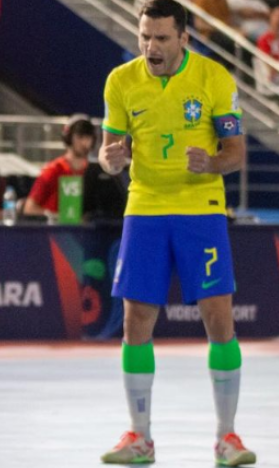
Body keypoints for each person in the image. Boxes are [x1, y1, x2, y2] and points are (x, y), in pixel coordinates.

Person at [99, 1, 256, 466]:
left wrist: (211, 162)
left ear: (184, 38)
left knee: (218, 320)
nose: (151, 47)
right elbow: (110, 150)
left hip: (200, 209)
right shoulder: (121, 81)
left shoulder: (214, 79)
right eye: (145, 36)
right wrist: (111, 160)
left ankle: (227, 438)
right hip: (144, 208)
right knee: (135, 324)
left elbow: (236, 154)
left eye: (162, 38)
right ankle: (140, 438)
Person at [22, 114, 95, 219]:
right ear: (68, 137)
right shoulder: (53, 170)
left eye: (88, 137)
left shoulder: (94, 172)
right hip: (55, 232)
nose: (85, 142)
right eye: (80, 137)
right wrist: (59, 217)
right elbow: (29, 209)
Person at [256, 6, 279, 82]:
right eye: (276, 16)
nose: (278, 19)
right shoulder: (264, 39)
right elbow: (267, 63)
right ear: (271, 17)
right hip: (273, 76)